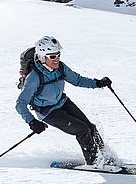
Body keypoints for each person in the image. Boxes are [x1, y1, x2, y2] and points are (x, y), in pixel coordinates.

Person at [15, 36, 112, 166]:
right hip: (48, 112)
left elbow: (77, 80)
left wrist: (98, 83)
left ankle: (105, 156)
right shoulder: (34, 78)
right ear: (43, 57)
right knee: (82, 130)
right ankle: (94, 162)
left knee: (90, 127)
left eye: (58, 55)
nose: (57, 59)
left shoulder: (61, 67)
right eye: (52, 56)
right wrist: (32, 122)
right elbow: (20, 104)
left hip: (63, 103)